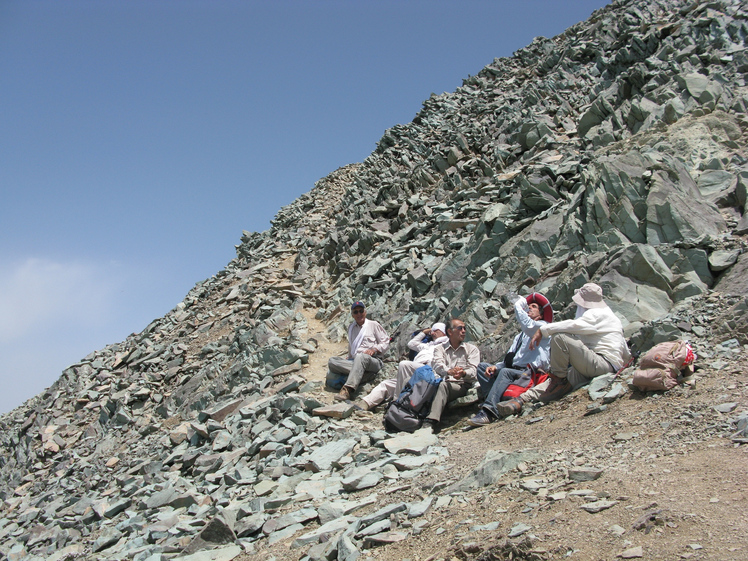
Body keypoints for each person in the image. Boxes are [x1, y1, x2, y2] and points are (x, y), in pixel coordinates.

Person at [496, 283, 631, 416]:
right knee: (552, 383)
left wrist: (544, 330)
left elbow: (576, 325)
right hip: (596, 365)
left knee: (560, 337)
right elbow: (623, 350)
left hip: (599, 363)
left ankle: (558, 381)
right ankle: (521, 400)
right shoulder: (613, 318)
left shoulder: (597, 314)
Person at [467, 293, 553, 427]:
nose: (529, 308)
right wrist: (496, 367)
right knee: (483, 367)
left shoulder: (543, 327)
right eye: (528, 306)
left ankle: (489, 412)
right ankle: (495, 400)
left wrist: (519, 304)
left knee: (506, 372)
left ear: (541, 315)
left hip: (530, 373)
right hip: (515, 370)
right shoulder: (520, 336)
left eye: (534, 307)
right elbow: (511, 357)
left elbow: (527, 324)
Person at [394, 318, 480, 432]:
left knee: (443, 386)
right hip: (440, 379)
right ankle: (401, 413)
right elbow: (437, 364)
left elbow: (474, 370)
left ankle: (431, 421)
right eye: (460, 328)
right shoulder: (439, 348)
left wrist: (463, 373)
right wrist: (449, 371)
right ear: (450, 332)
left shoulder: (472, 349)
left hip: (461, 384)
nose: (463, 331)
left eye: (465, 328)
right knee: (409, 381)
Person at [357, 322, 447, 411]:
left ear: (444, 332)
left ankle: (397, 402)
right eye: (432, 331)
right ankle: (365, 403)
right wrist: (424, 332)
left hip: (428, 371)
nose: (432, 333)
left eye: (436, 331)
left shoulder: (445, 344)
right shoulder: (427, 345)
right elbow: (411, 344)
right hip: (414, 371)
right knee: (386, 384)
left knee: (404, 364)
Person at [329, 301, 390, 402]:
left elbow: (385, 341)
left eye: (361, 311)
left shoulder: (373, 325)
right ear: (352, 315)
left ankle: (347, 390)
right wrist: (349, 356)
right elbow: (352, 345)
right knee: (332, 361)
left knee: (360, 357)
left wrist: (374, 349)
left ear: (365, 312)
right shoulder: (351, 328)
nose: (359, 314)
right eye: (356, 312)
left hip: (372, 360)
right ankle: (362, 373)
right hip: (355, 360)